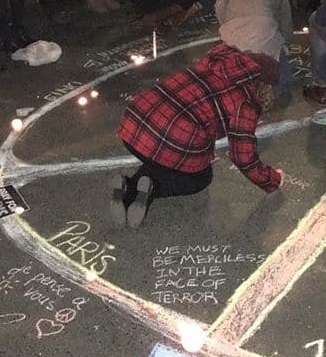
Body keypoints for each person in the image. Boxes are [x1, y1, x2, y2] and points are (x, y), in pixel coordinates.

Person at [113, 42, 284, 228]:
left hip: (133, 124)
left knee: (164, 157)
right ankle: (153, 187)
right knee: (200, 177)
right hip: (171, 138)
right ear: (264, 86)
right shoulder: (246, 102)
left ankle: (129, 188)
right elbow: (243, 157)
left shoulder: (211, 64)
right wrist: (271, 180)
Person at [215, 0, 293, 97]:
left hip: (232, 36)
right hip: (264, 36)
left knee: (226, 59)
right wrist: (284, 41)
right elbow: (286, 24)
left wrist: (227, 26)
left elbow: (220, 4)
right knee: (283, 80)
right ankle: (268, 91)